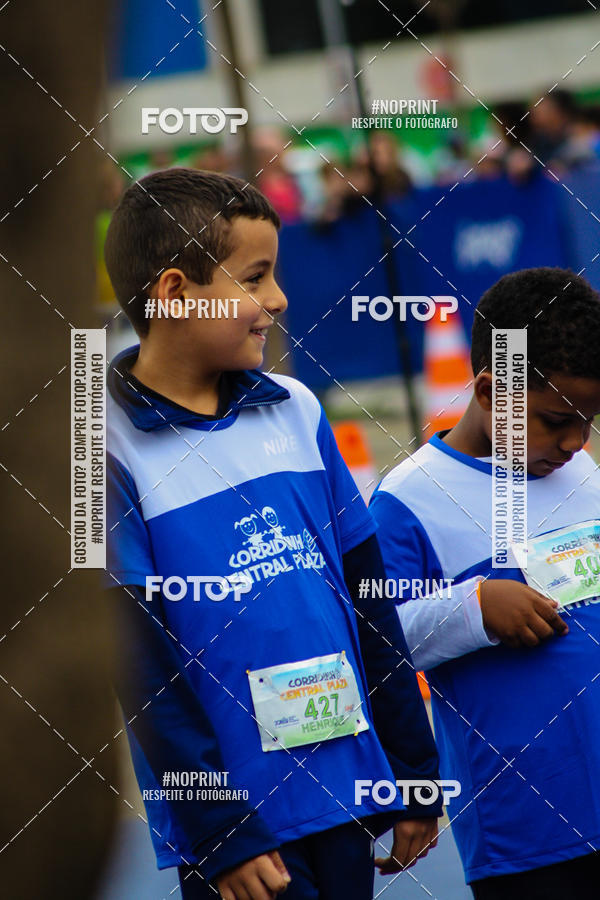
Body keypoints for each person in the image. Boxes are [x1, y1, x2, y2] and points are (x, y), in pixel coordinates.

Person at [103, 167, 442, 900]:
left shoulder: (295, 406)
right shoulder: (99, 451)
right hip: (240, 829)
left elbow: (370, 600)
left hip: (347, 792)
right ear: (174, 293)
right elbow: (140, 667)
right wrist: (219, 827)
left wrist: (414, 767)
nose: (279, 299)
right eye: (255, 278)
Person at [370, 267, 600, 899]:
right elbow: (376, 642)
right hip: (526, 836)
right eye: (556, 419)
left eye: (589, 420)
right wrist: (474, 608)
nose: (576, 441)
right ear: (491, 391)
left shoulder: (582, 473)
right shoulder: (408, 501)